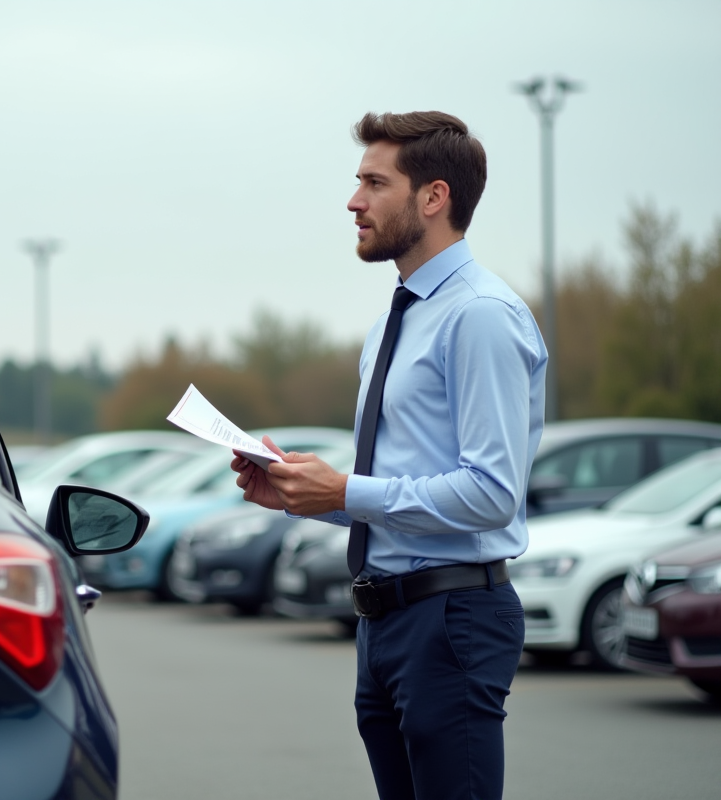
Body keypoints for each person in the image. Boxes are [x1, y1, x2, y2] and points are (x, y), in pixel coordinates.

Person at [232, 111, 547, 800]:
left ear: (433, 197)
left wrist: (345, 491)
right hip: (384, 621)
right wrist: (302, 494)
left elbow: (491, 494)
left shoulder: (480, 315)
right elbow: (401, 489)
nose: (354, 202)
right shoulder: (391, 323)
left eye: (375, 183)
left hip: (452, 616)